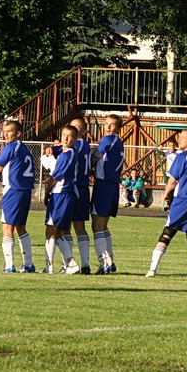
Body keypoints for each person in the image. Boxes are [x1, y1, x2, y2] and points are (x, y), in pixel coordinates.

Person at [145, 128, 187, 279]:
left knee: (167, 232)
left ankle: (152, 269)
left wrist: (166, 194)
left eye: (182, 137)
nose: (178, 139)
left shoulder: (182, 157)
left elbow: (172, 179)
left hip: (183, 199)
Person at [0, 120, 36, 273]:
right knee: (21, 228)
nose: (5, 134)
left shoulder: (10, 147)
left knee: (7, 227)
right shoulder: (25, 148)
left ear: (18, 133)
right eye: (4, 131)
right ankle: (28, 263)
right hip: (25, 191)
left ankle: (9, 265)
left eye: (9, 131)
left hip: (13, 190)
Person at [42, 125, 80, 275]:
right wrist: (50, 148)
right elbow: (57, 149)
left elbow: (54, 178)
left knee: (51, 229)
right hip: (67, 194)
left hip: (61, 194)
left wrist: (46, 194)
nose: (65, 138)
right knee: (60, 231)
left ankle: (50, 267)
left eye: (69, 136)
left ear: (75, 139)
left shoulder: (66, 156)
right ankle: (70, 264)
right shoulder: (69, 153)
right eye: (64, 135)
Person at [91, 115, 125, 275]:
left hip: (104, 185)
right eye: (106, 124)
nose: (108, 127)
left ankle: (103, 262)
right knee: (103, 225)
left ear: (118, 128)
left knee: (96, 225)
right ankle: (110, 261)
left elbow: (95, 157)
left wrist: (84, 168)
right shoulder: (119, 142)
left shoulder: (108, 139)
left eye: (112, 125)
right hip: (112, 186)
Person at [68, 117, 93, 274]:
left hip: (74, 187)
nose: (72, 131)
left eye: (76, 128)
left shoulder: (76, 145)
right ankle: (85, 264)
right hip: (83, 188)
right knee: (79, 226)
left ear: (83, 131)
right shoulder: (86, 145)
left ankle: (70, 263)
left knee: (62, 227)